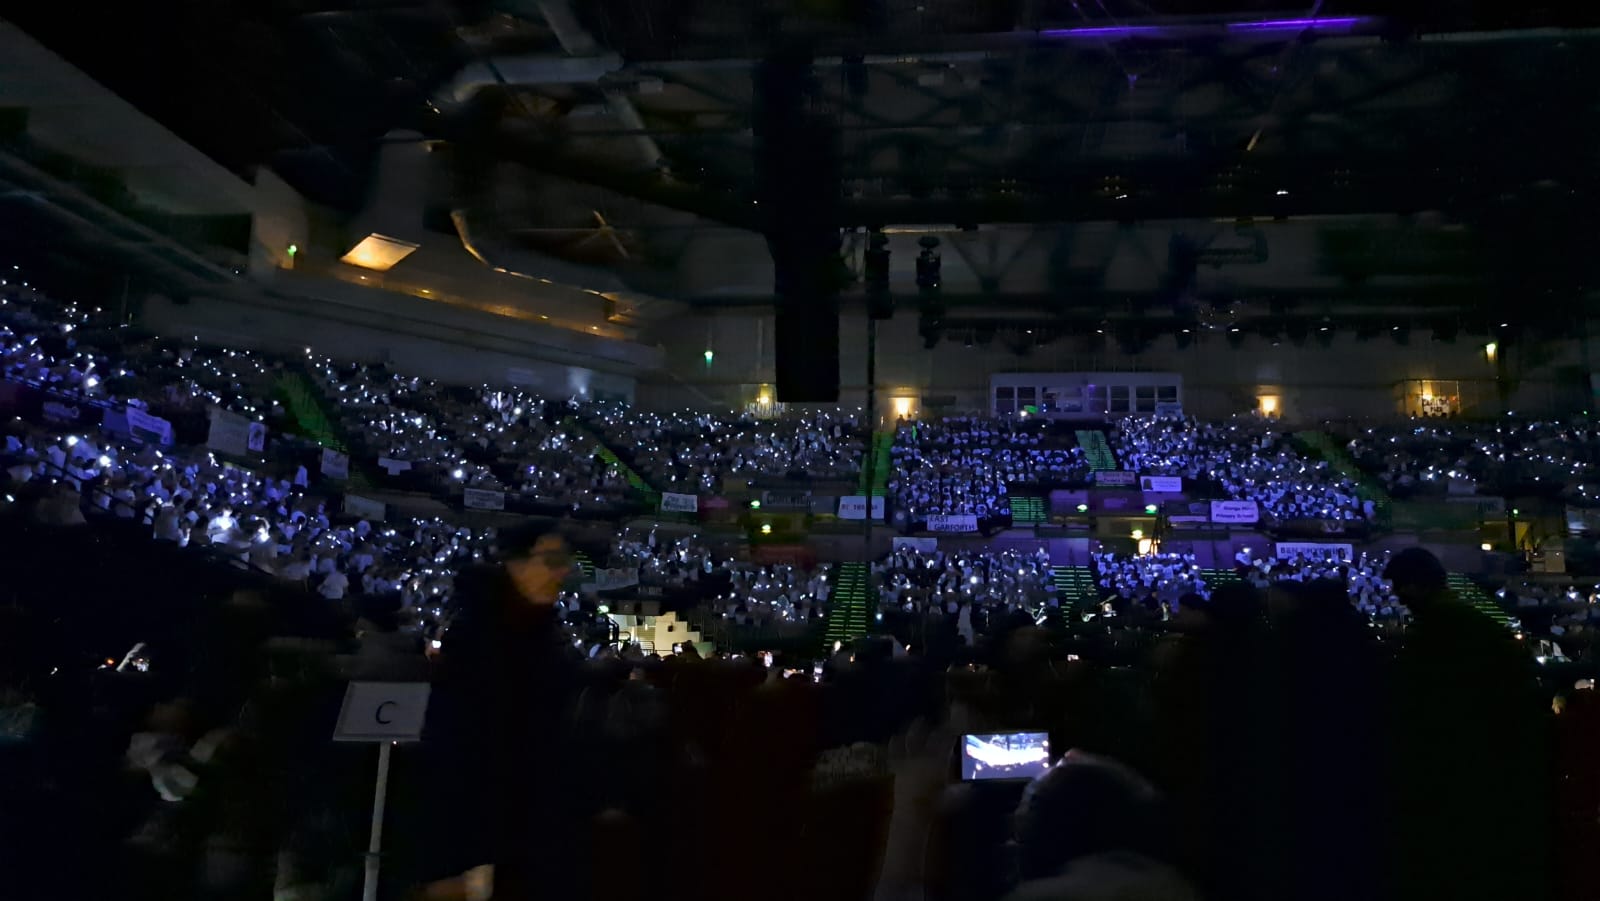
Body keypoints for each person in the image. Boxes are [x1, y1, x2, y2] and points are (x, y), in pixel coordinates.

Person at [419, 522, 583, 901]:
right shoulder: (480, 637)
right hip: (483, 828)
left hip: (528, 825)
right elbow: (471, 743)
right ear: (516, 564)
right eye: (552, 560)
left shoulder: (538, 631)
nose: (563, 571)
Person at [1383, 547, 1551, 901]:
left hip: (1461, 765)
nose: (1397, 595)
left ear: (1416, 584)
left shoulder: (1441, 626)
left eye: (1400, 586)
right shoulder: (1468, 622)